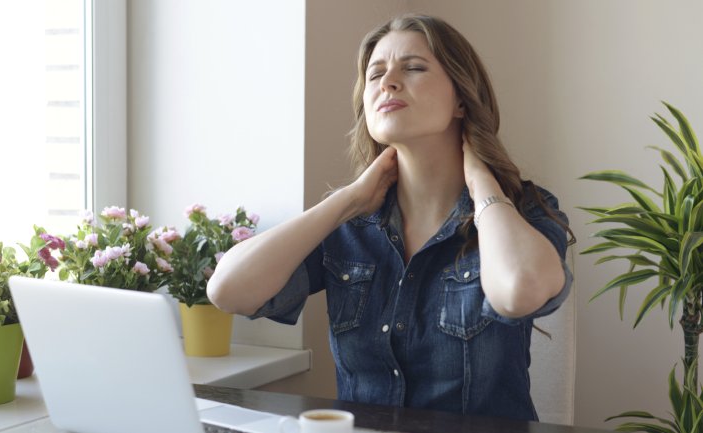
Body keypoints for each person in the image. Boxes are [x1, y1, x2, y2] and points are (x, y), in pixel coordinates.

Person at [207, 14, 574, 422]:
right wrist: (346, 201)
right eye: (375, 74)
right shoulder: (350, 226)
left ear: (461, 101)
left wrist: (482, 183)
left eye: (413, 68)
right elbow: (228, 290)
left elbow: (519, 290)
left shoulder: (525, 211)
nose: (388, 82)